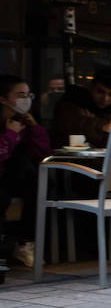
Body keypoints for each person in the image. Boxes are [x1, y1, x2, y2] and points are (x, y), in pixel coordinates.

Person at [1, 75, 52, 267]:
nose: (26, 100)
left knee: (43, 184)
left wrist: (35, 129)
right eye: (20, 95)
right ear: (4, 98)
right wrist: (11, 134)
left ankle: (25, 242)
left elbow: (43, 152)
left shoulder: (22, 122)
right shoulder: (10, 126)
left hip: (16, 179)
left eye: (28, 95)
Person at [52, 69, 111, 149]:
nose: (105, 99)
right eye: (100, 92)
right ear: (91, 87)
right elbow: (72, 124)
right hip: (72, 158)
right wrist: (102, 127)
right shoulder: (73, 100)